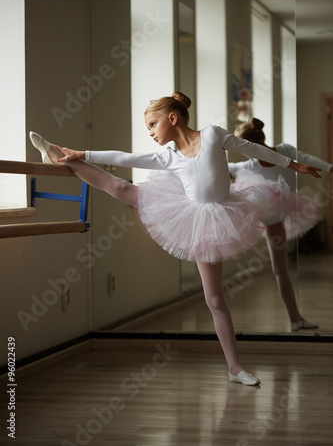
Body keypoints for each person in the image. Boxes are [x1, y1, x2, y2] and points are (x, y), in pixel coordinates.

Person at [29, 92, 322, 385]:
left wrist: (295, 165)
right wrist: (82, 154)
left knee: (215, 298)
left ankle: (234, 368)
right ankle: (56, 153)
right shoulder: (168, 157)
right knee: (120, 187)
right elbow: (124, 157)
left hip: (218, 219)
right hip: (192, 218)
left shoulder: (212, 134)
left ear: (173, 118)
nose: (151, 132)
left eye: (153, 124)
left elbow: (253, 149)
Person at [228, 117, 333, 331]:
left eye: (243, 149)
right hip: (266, 214)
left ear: (249, 147)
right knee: (280, 268)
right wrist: (330, 168)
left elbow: (304, 158)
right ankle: (295, 319)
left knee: (279, 268)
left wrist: (330, 168)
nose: (243, 153)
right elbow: (306, 158)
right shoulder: (272, 154)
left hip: (270, 214)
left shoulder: (261, 159)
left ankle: (295, 319)